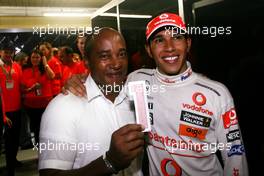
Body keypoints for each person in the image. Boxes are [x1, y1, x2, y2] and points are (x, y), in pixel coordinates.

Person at [64, 13, 248, 175]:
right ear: (148, 49)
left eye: (177, 37)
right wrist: (79, 80)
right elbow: (105, 86)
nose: (169, 47)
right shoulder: (136, 80)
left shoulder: (217, 93)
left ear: (188, 43)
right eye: (159, 40)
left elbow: (235, 154)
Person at [38, 28, 144, 176]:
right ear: (87, 61)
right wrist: (109, 162)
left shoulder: (139, 99)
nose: (116, 63)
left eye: (121, 54)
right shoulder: (62, 107)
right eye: (104, 56)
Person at [0, 41, 23, 176]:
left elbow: (20, 86)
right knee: (7, 143)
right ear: (0, 52)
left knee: (15, 140)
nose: (8, 54)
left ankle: (12, 161)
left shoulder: (17, 66)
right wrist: (3, 115)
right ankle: (10, 170)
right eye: (6, 52)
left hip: (17, 109)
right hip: (3, 111)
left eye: (10, 52)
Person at [21, 49, 53, 144]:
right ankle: (40, 150)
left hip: (45, 103)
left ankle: (48, 150)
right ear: (30, 58)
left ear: (41, 58)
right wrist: (30, 89)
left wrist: (45, 64)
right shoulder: (25, 70)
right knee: (36, 128)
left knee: (46, 128)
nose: (35, 59)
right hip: (31, 105)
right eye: (33, 57)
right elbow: (22, 87)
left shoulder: (45, 69)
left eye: (37, 57)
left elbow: (52, 76)